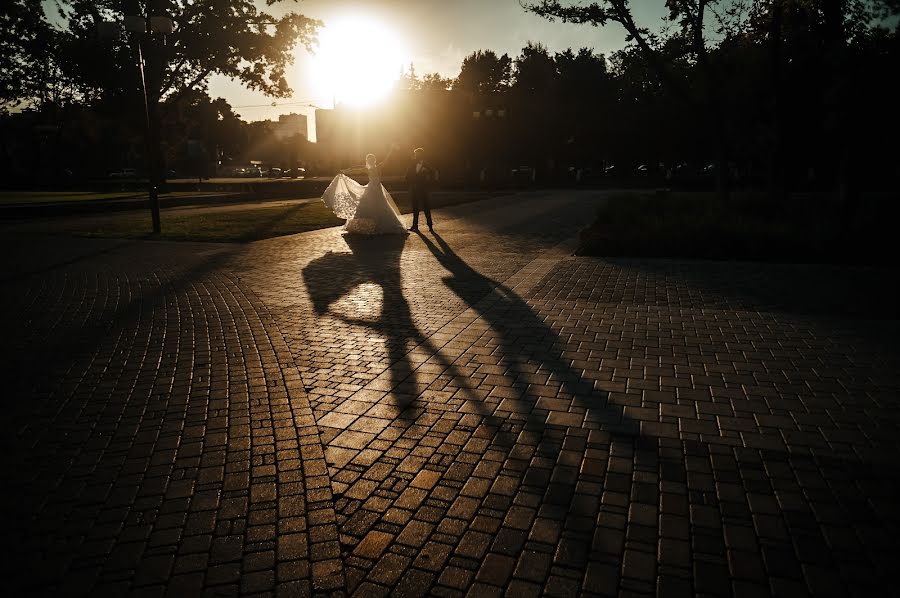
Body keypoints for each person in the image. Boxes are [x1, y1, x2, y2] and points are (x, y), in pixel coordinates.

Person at [320, 147, 407, 235]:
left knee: (380, 206)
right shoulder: (368, 169)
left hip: (377, 189)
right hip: (371, 188)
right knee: (366, 206)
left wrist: (391, 151)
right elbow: (355, 170)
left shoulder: (378, 167)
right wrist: (345, 171)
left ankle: (379, 225)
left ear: (373, 160)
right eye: (368, 160)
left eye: (370, 160)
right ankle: (365, 226)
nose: (369, 161)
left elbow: (386, 160)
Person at [405, 147, 434, 232]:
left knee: (426, 208)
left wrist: (426, 172)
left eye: (418, 154)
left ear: (422, 155)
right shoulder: (412, 163)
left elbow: (433, 173)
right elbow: (407, 176)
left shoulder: (426, 164)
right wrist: (412, 182)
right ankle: (415, 226)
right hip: (414, 188)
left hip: (423, 189)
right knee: (415, 208)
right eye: (416, 154)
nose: (416, 156)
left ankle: (430, 225)